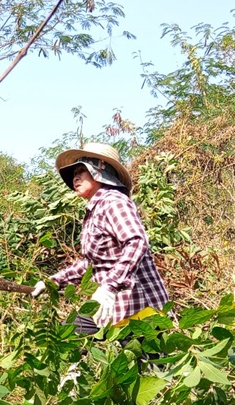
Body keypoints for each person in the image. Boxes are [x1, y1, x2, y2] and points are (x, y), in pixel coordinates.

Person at [32, 142, 169, 334]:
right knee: (65, 339)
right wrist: (53, 282)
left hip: (141, 308)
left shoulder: (113, 202)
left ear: (99, 171)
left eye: (82, 170)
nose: (75, 178)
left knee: (148, 364)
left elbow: (136, 242)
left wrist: (109, 287)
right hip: (110, 307)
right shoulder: (94, 210)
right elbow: (91, 264)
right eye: (73, 174)